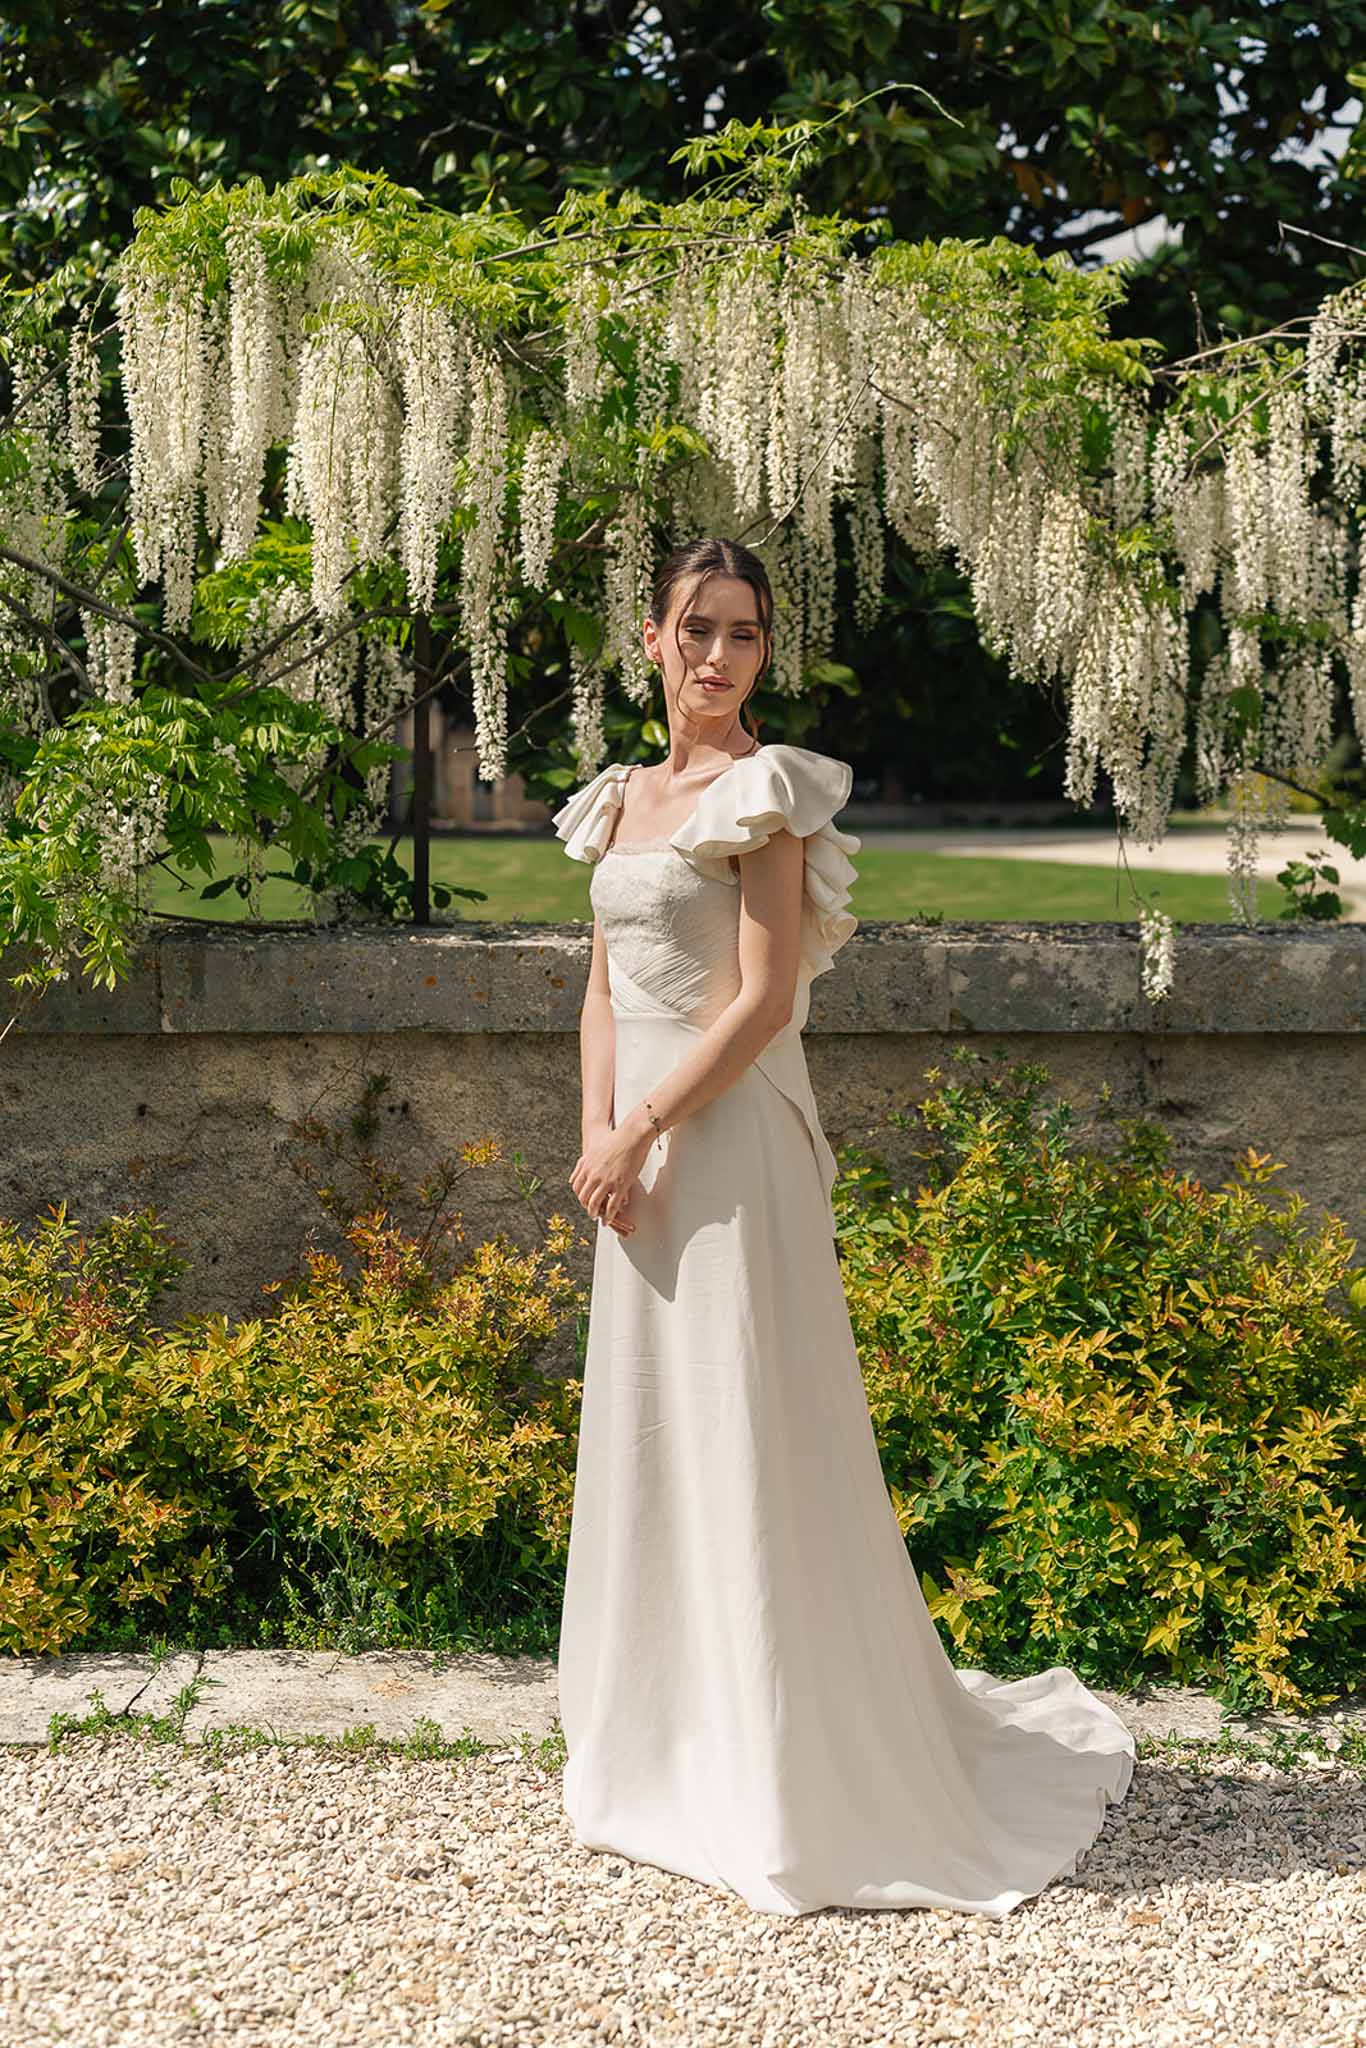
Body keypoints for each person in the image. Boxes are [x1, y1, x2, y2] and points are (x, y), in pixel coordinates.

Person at [551, 536, 1135, 1918]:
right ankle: (664, 1736)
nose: (715, 657)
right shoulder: (619, 799)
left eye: (742, 635)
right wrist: (597, 1130)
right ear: (649, 641)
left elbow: (756, 1003)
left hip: (729, 1135)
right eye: (695, 629)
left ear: (764, 653)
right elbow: (598, 988)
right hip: (627, 1150)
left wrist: (645, 1128)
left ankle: (780, 1763)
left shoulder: (768, 791)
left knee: (747, 1418)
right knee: (655, 1425)